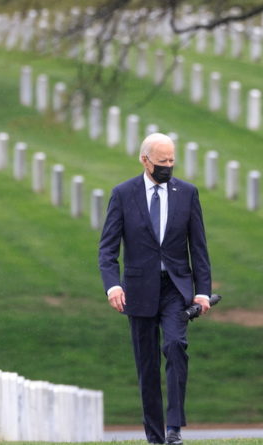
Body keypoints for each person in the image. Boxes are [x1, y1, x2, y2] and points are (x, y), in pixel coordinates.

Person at [98, 132, 212, 445]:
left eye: (172, 161)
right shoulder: (123, 194)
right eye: (162, 161)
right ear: (145, 160)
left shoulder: (187, 193)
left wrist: (203, 291)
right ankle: (155, 435)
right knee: (147, 364)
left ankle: (174, 427)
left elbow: (198, 248)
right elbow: (108, 249)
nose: (168, 166)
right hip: (138, 290)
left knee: (176, 346)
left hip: (176, 288)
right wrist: (112, 287)